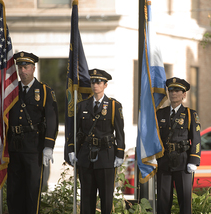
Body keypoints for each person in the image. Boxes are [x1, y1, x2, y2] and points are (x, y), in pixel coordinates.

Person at [68, 68, 125, 214]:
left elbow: (119, 132)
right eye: (93, 82)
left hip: (106, 155)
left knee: (106, 198)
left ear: (105, 85)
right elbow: (74, 131)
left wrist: (119, 154)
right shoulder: (82, 105)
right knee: (86, 197)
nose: (95, 85)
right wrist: (71, 150)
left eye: (99, 82)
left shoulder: (113, 106)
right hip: (86, 156)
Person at [7, 51, 58, 213]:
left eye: (26, 67)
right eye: (20, 67)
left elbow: (52, 120)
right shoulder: (11, 91)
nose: (23, 71)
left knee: (32, 190)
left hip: (34, 149)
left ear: (33, 68)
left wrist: (48, 146)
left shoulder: (44, 91)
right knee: (14, 190)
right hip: (14, 148)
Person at [156, 77, 201, 214]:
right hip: (164, 161)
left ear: (184, 94)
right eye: (171, 90)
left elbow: (197, 139)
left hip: (183, 161)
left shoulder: (190, 114)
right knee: (163, 202)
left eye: (177, 90)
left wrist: (193, 159)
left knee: (185, 201)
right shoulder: (160, 113)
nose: (173, 93)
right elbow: (155, 137)